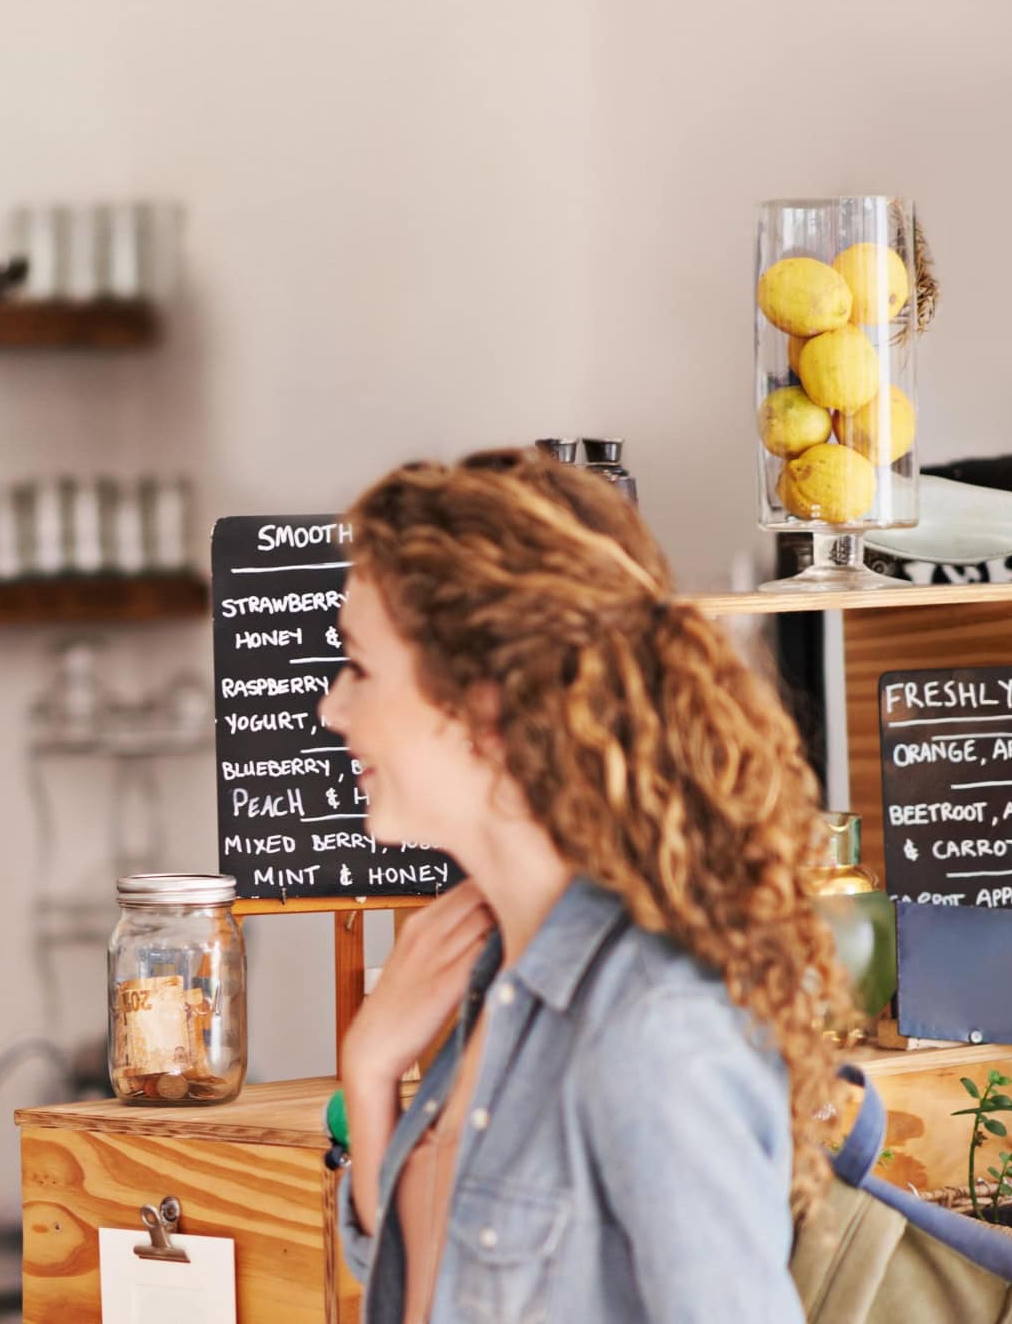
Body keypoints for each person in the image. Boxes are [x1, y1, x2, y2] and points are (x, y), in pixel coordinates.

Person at [323, 448, 842, 1323]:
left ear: (483, 708)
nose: (333, 709)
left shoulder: (653, 1029)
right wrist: (371, 1075)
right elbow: (435, 1278)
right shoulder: (496, 984)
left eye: (361, 670)